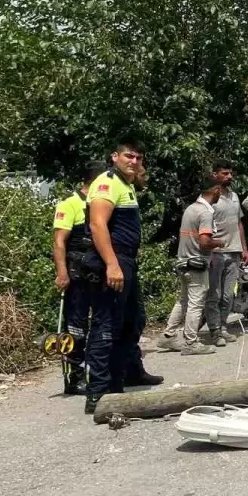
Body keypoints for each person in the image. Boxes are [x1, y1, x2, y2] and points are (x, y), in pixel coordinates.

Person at [83, 140, 162, 414]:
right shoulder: (106, 183)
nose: (134, 161)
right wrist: (112, 265)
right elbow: (97, 224)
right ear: (114, 156)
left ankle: (120, 381)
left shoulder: (126, 185)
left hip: (126, 260)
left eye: (139, 157)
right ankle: (97, 393)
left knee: (133, 320)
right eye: (129, 156)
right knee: (106, 326)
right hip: (113, 260)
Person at [159, 176, 225, 354]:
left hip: (183, 262)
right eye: (220, 191)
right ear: (216, 190)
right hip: (196, 264)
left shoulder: (190, 209)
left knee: (183, 301)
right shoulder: (205, 213)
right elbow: (204, 242)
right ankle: (191, 343)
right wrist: (219, 243)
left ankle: (168, 336)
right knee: (196, 304)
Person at [51, 162, 101, 396]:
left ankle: (97, 372)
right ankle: (74, 378)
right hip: (76, 271)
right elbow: (59, 241)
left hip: (97, 271)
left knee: (100, 324)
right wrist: (62, 272)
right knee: (76, 327)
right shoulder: (69, 203)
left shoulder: (99, 205)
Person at [205, 161, 248, 340]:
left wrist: (244, 248)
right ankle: (214, 330)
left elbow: (239, 223)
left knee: (228, 294)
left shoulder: (235, 196)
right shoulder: (209, 198)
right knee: (214, 294)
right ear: (215, 175)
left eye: (230, 173)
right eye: (225, 173)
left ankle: (223, 326)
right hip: (216, 253)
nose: (229, 176)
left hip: (234, 251)